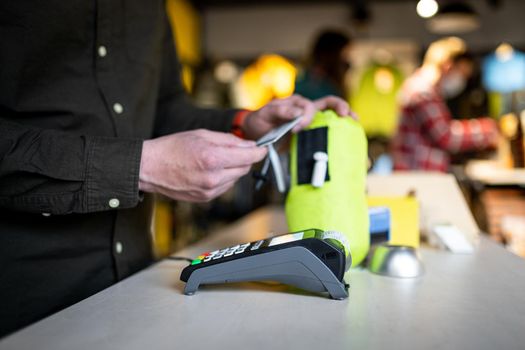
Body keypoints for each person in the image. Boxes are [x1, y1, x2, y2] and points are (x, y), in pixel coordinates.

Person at [0, 2, 352, 337]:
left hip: (138, 285)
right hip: (23, 302)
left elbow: (168, 110)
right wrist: (140, 165)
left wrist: (246, 121)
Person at [391, 37, 498, 172]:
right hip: (418, 177)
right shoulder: (422, 91)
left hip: (417, 176)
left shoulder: (423, 89)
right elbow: (445, 137)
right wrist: (487, 129)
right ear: (448, 66)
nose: (462, 81)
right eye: (462, 74)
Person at [294, 29, 352, 100]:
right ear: (333, 53)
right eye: (345, 53)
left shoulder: (330, 80)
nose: (348, 59)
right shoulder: (311, 80)